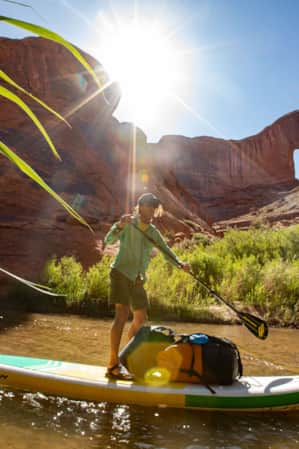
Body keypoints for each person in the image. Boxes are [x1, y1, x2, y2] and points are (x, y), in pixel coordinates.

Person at [104, 192, 191, 380]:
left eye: (154, 207)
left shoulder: (152, 232)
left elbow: (166, 251)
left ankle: (124, 358)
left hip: (137, 278)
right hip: (120, 273)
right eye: (148, 206)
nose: (151, 210)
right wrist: (119, 226)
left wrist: (180, 264)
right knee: (122, 314)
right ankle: (112, 365)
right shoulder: (128, 224)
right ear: (140, 206)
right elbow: (108, 240)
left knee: (141, 318)